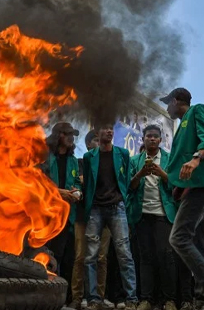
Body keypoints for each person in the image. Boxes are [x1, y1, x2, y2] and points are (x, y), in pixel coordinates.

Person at [160, 88, 204, 310]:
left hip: (202, 188)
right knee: (199, 245)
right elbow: (175, 170)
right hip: (199, 190)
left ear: (175, 101)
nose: (167, 108)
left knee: (178, 237)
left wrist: (196, 159)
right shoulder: (181, 127)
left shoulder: (197, 111)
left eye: (167, 104)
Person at [82, 124, 137, 310]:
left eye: (111, 128)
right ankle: (93, 299)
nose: (109, 131)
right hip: (96, 209)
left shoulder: (122, 154)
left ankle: (131, 298)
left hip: (117, 208)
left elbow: (127, 181)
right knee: (91, 256)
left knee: (125, 255)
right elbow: (88, 184)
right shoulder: (89, 156)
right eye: (104, 128)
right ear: (98, 132)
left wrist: (123, 201)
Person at [127, 125, 181, 310]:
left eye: (155, 137)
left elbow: (176, 186)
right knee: (145, 257)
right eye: (148, 136)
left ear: (160, 140)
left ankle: (170, 299)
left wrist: (162, 174)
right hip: (141, 215)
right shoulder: (135, 160)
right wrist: (141, 173)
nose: (152, 139)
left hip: (163, 215)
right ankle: (146, 299)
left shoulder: (169, 159)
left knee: (166, 256)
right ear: (143, 139)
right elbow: (129, 187)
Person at [71, 130, 113, 310]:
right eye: (95, 140)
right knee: (80, 256)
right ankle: (76, 297)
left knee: (101, 258)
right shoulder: (82, 162)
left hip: (105, 215)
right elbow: (79, 182)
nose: (99, 142)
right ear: (88, 145)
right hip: (84, 217)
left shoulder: (111, 162)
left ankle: (98, 298)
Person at [43, 122, 82, 306]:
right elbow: (37, 183)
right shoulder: (45, 158)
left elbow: (77, 182)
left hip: (67, 218)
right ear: (58, 135)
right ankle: (48, 298)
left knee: (67, 257)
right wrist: (59, 192)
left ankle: (64, 299)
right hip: (47, 216)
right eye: (68, 134)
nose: (71, 138)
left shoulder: (73, 160)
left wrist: (77, 192)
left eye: (73, 135)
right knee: (49, 257)